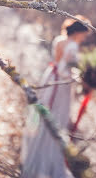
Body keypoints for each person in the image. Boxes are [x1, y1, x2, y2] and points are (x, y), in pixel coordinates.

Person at [21, 17, 90, 178]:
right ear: (79, 32)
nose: (84, 38)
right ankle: (48, 157)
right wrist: (79, 79)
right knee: (57, 118)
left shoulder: (59, 40)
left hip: (50, 78)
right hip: (60, 86)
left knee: (45, 113)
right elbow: (64, 71)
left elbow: (58, 65)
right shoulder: (72, 46)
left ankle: (36, 149)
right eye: (84, 35)